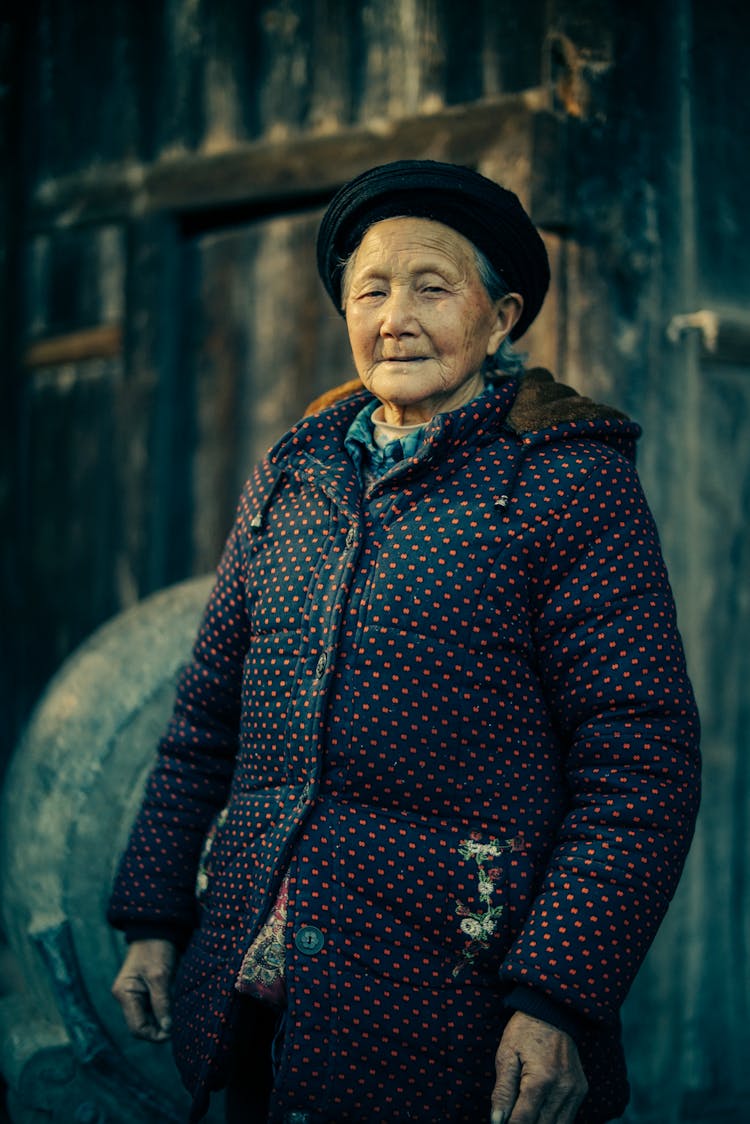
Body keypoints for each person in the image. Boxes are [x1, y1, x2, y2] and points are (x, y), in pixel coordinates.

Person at [109, 160, 701, 1124]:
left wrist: (554, 999)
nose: (396, 317)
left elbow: (641, 765)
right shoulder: (292, 476)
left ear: (500, 316)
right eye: (371, 290)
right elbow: (204, 720)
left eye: (433, 287)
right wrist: (153, 917)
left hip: (461, 1005)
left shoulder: (567, 484)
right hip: (263, 998)